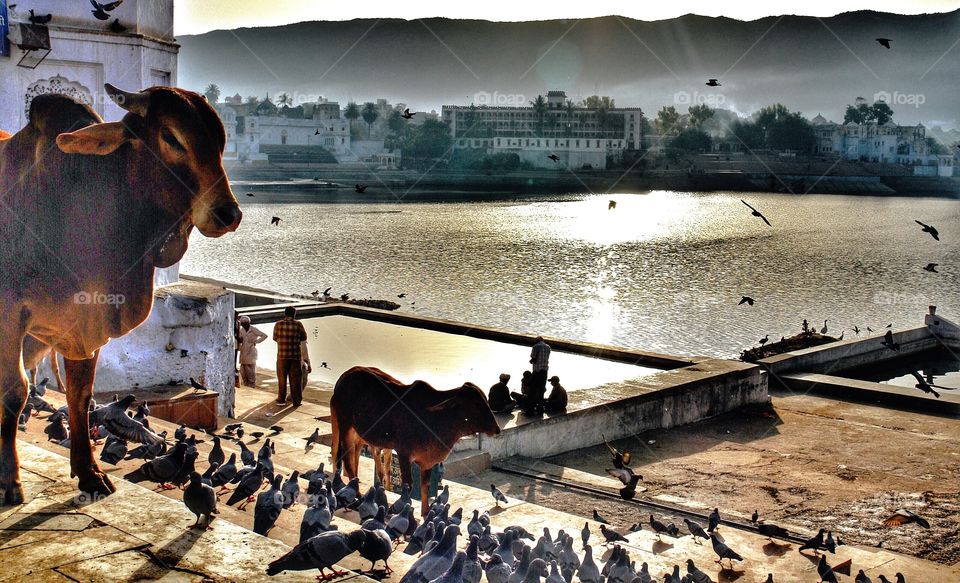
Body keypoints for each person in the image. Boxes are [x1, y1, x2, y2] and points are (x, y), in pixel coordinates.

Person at [273, 306, 307, 406]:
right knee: (296, 379)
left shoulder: (278, 324)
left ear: (285, 314)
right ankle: (296, 401)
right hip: (295, 356)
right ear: (294, 314)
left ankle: (281, 399)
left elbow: (275, 338)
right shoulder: (298, 324)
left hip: (282, 356)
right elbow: (304, 337)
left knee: (282, 378)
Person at [237, 315, 268, 387]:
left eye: (245, 324)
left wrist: (256, 341)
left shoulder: (253, 329)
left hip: (251, 351)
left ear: (248, 323)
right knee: (243, 371)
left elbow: (264, 335)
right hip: (244, 351)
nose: (244, 325)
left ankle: (252, 386)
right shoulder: (242, 330)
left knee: (250, 371)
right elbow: (241, 339)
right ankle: (246, 386)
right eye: (242, 324)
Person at [529, 336, 551, 413]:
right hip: (544, 371)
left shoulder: (536, 346)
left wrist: (531, 361)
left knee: (532, 391)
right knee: (541, 391)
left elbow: (534, 359)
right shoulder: (548, 347)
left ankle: (530, 410)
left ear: (537, 341)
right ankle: (540, 410)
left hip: (537, 371)